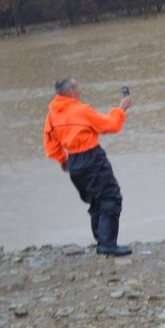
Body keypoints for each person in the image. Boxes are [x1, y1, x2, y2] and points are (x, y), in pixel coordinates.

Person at [43, 77, 134, 256]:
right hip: (91, 157)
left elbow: (50, 141)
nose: (80, 91)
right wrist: (120, 109)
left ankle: (102, 240)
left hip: (74, 161)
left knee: (95, 201)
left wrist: (62, 160)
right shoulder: (81, 110)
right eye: (77, 88)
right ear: (69, 92)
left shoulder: (53, 113)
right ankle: (107, 244)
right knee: (110, 197)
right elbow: (110, 125)